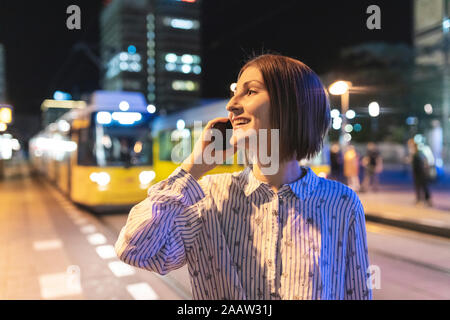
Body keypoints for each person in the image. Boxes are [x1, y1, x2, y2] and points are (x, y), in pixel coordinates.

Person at [115, 54, 372, 300]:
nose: (231, 105)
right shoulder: (207, 198)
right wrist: (192, 168)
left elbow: (357, 292)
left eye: (249, 91)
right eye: (234, 93)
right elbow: (136, 251)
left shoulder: (341, 203)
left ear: (292, 104)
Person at [408, 139, 432, 206]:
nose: (409, 146)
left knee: (422, 186)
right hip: (418, 172)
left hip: (420, 172)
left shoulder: (417, 153)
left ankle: (425, 200)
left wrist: (426, 168)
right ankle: (421, 200)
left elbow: (424, 161)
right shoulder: (415, 153)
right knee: (419, 186)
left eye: (410, 145)